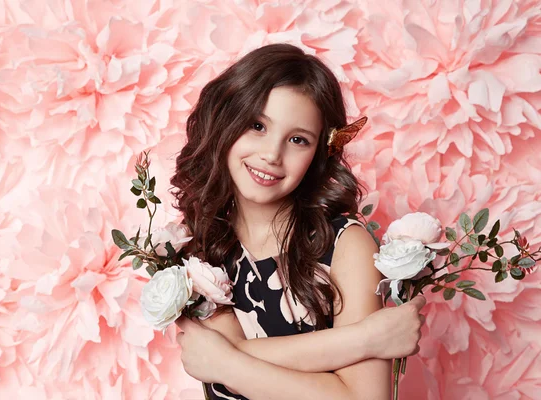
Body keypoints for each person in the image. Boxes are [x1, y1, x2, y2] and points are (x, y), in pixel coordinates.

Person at [170, 43, 426, 400]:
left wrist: (225, 364)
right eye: (257, 125)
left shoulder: (345, 245)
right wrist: (363, 340)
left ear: (320, 153)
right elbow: (206, 358)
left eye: (297, 140)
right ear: (225, 121)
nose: (272, 154)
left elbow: (363, 399)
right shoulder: (199, 253)